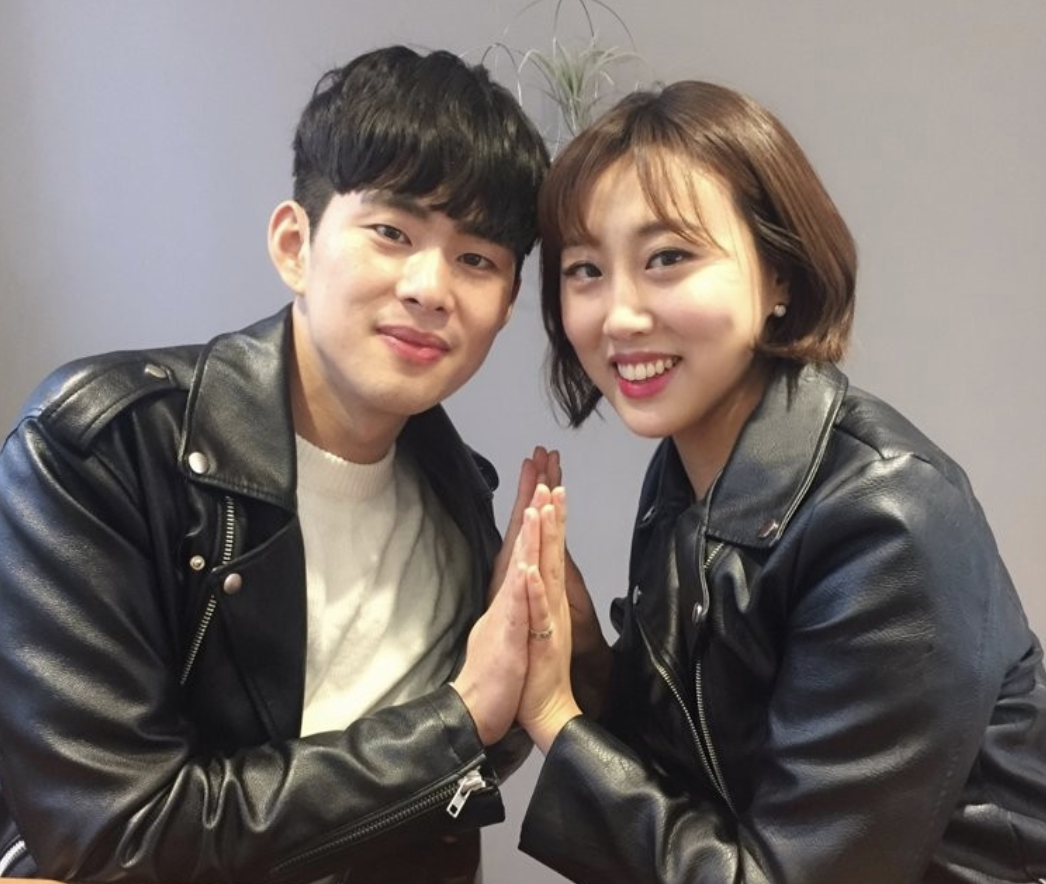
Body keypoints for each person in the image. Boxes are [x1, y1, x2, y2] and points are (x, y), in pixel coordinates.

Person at [0, 45, 551, 883]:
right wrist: (458, 721)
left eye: (476, 259)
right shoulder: (103, 448)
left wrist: (531, 652)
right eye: (392, 232)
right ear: (296, 244)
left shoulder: (459, 502)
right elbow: (115, 834)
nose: (429, 287)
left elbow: (472, 743)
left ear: (505, 304)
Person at [511, 81, 1046, 882]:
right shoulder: (689, 472)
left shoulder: (888, 517)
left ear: (780, 276)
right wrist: (580, 648)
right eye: (585, 269)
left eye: (667, 258)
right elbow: (699, 749)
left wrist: (555, 720)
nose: (618, 315)